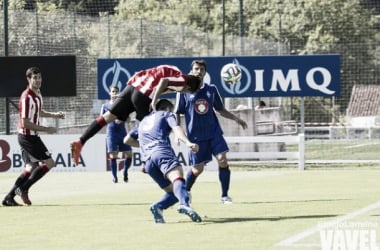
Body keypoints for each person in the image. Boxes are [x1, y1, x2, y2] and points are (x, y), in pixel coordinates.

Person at [70, 64, 202, 166]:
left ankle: (81, 141)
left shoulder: (172, 70)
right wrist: (155, 101)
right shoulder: (183, 81)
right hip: (143, 95)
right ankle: (151, 163)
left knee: (107, 117)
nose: (185, 91)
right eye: (188, 91)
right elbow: (163, 81)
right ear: (189, 87)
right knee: (153, 129)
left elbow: (157, 80)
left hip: (133, 86)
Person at [174, 59, 248, 204]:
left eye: (201, 69)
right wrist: (178, 133)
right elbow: (177, 112)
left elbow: (220, 109)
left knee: (222, 159)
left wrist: (236, 118)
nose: (199, 72)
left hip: (213, 133)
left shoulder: (211, 89)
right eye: (196, 69)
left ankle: (225, 196)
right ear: (191, 71)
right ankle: (186, 191)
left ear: (205, 72)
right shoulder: (183, 92)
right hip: (196, 136)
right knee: (197, 169)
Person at [124, 99, 202, 223]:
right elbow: (176, 128)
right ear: (167, 108)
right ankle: (184, 204)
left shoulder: (143, 121)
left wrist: (146, 147)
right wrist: (188, 143)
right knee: (178, 178)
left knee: (175, 191)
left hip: (148, 162)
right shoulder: (166, 114)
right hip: (161, 152)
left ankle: (159, 207)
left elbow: (127, 140)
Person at [2, 67, 65, 206]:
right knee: (49, 163)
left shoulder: (38, 93)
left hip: (28, 136)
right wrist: (46, 129)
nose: (38, 80)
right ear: (28, 79)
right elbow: (25, 123)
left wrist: (55, 115)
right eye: (35, 78)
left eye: (39, 77)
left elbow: (39, 112)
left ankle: (8, 198)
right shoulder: (26, 97)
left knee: (31, 167)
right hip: (27, 137)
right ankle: (23, 188)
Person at [101, 85, 132, 183]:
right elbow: (102, 120)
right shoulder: (105, 106)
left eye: (116, 91)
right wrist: (113, 119)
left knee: (129, 154)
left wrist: (123, 119)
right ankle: (114, 177)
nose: (114, 93)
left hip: (122, 132)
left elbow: (128, 119)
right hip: (111, 133)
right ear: (109, 93)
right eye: (113, 91)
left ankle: (125, 171)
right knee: (113, 155)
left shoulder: (123, 104)